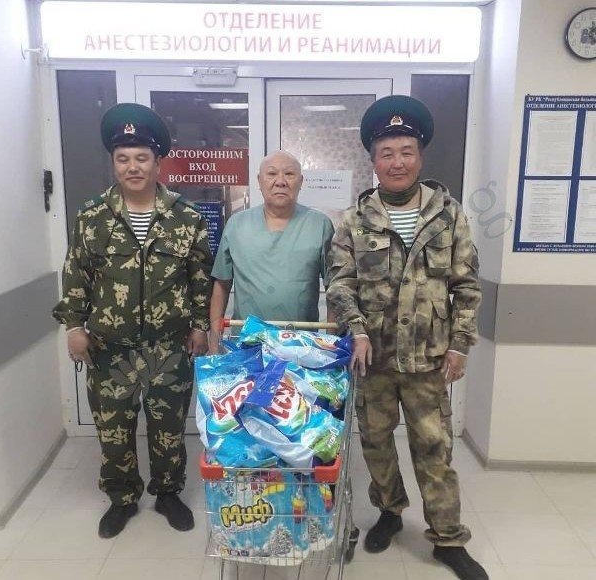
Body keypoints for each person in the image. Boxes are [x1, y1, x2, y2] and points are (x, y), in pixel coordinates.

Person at [326, 95, 487, 580]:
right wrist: (356, 330)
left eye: (406, 152)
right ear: (373, 160)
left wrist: (459, 345)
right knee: (376, 443)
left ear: (420, 155)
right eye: (387, 153)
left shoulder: (448, 214)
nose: (397, 162)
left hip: (429, 359)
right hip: (372, 358)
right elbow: (340, 284)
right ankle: (390, 512)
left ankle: (448, 538)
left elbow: (467, 285)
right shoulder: (354, 219)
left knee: (434, 449)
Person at [53, 103, 213, 539]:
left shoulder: (186, 217)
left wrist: (200, 325)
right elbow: (75, 275)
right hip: (110, 347)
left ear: (157, 162)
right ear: (114, 163)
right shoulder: (91, 218)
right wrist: (74, 327)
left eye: (142, 157)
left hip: (168, 344)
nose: (133, 167)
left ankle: (167, 493)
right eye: (123, 158)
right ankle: (122, 498)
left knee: (168, 428)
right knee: (114, 430)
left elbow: (200, 277)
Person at [208, 150, 334, 347]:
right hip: (247, 344)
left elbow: (334, 288)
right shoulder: (237, 225)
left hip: (301, 346)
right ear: (259, 181)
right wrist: (214, 342)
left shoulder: (320, 225)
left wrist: (331, 343)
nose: (280, 181)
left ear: (301, 181)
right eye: (272, 174)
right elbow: (222, 284)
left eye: (289, 174)